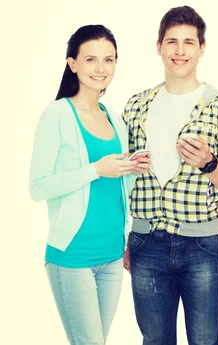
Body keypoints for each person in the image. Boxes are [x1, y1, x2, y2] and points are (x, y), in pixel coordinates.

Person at [122, 5, 218, 345]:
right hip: (146, 243)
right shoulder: (136, 106)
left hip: (202, 247)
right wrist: (128, 236)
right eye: (172, 42)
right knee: (154, 341)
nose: (180, 51)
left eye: (189, 42)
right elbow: (126, 180)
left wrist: (209, 163)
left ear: (202, 48)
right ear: (158, 47)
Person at [29, 25, 147, 345]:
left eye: (108, 60)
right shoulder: (57, 114)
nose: (101, 68)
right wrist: (95, 169)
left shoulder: (114, 118)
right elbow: (38, 187)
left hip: (111, 254)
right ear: (73, 64)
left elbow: (115, 186)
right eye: (91, 59)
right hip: (73, 256)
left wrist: (133, 168)